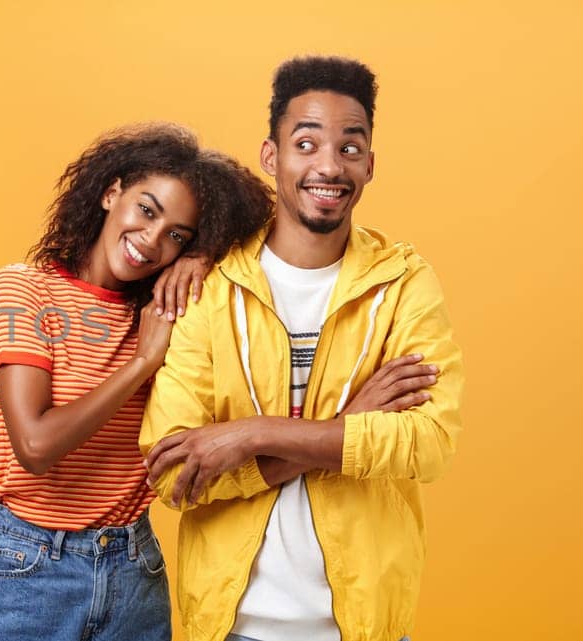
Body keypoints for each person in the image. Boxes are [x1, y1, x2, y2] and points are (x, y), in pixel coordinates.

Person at [140, 56, 465, 641]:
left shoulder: (403, 284)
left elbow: (428, 442)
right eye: (307, 142)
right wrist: (349, 426)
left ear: (369, 164)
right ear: (273, 157)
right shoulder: (211, 287)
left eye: (349, 147)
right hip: (231, 627)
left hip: (365, 627)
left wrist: (249, 434)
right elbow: (173, 470)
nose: (328, 166)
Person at [0, 122, 269, 641]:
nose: (151, 240)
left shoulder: (165, 311)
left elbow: (272, 233)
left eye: (176, 235)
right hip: (28, 568)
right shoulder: (26, 291)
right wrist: (142, 362)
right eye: (147, 210)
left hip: (133, 568)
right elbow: (35, 444)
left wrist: (202, 255)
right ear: (110, 192)